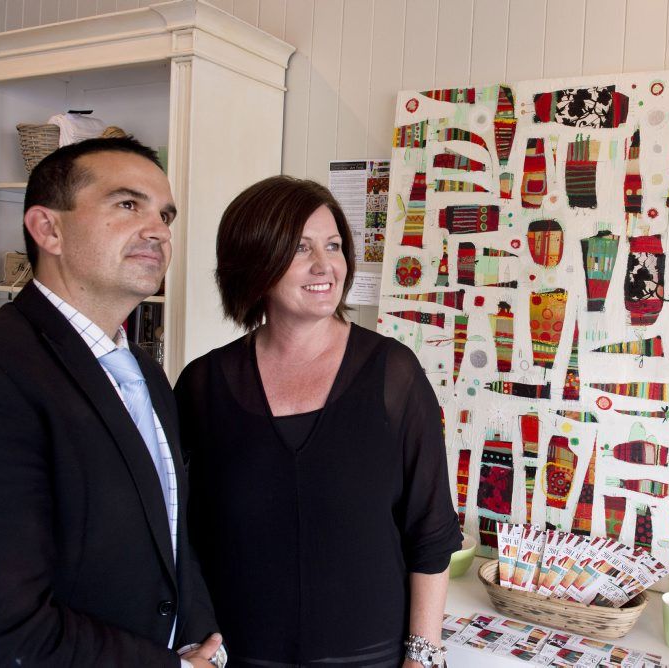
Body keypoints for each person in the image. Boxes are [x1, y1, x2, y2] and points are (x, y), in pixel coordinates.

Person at [175, 175, 462, 667]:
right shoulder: (203, 385)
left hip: (371, 656)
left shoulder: (393, 374)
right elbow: (182, 534)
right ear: (255, 259)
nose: (324, 265)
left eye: (333, 245)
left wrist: (423, 655)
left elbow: (430, 531)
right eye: (300, 248)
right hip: (237, 655)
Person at [0, 137, 224, 667]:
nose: (158, 231)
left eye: (165, 215)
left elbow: (169, 533)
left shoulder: (145, 373)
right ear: (48, 228)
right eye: (127, 205)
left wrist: (199, 640)